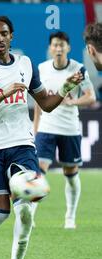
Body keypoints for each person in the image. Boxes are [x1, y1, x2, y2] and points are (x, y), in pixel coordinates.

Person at [0, 16, 83, 259]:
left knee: (26, 211)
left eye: (4, 34)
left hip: (21, 144)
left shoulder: (25, 64)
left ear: (12, 36)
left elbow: (46, 103)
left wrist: (66, 86)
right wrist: (0, 96)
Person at [33, 32, 96, 229]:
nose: (58, 49)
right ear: (50, 48)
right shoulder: (42, 69)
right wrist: (35, 127)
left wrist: (73, 101)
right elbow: (38, 101)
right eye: (55, 45)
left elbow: (91, 97)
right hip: (46, 127)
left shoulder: (78, 69)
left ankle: (70, 217)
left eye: (62, 45)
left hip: (69, 128)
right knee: (39, 171)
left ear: (68, 48)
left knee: (70, 173)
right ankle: (31, 214)